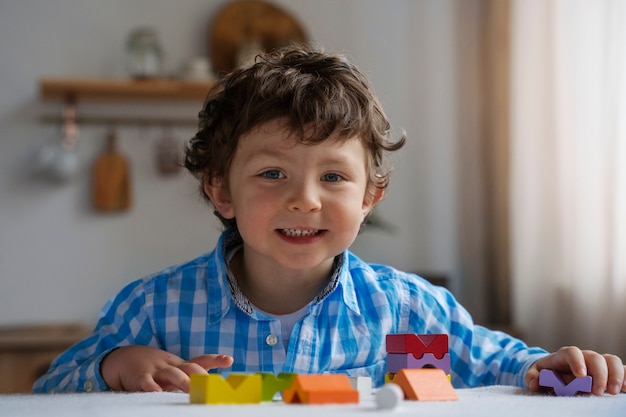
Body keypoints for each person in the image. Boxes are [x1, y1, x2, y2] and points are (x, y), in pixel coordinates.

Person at [33, 45, 625, 396]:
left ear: (372, 195)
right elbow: (48, 391)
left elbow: (491, 365)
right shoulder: (154, 310)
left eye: (334, 177)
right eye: (272, 174)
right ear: (220, 190)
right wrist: (114, 365)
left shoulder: (406, 311)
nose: (305, 200)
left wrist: (544, 369)